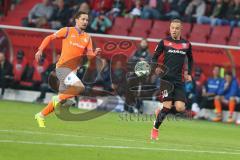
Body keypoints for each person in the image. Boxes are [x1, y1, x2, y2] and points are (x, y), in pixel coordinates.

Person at [34, 11, 102, 128]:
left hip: (73, 71)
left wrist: (94, 54)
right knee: (79, 87)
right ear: (76, 20)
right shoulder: (67, 31)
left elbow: (89, 56)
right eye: (83, 19)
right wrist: (40, 50)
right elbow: (50, 37)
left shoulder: (87, 37)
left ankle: (40, 115)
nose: (85, 22)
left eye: (87, 20)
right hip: (63, 68)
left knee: (60, 104)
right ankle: (57, 98)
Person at [150, 19, 193, 140]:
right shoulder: (164, 42)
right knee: (168, 106)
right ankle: (155, 128)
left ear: (181, 29)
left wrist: (189, 73)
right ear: (169, 28)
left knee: (180, 108)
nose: (174, 30)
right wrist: (156, 67)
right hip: (166, 79)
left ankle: (161, 111)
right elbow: (154, 58)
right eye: (172, 28)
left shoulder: (187, 44)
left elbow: (190, 59)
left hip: (179, 80)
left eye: (177, 28)